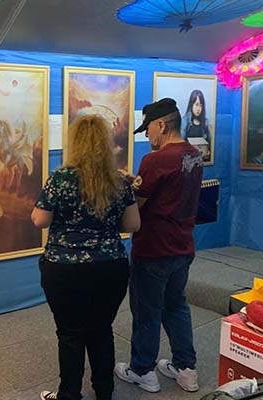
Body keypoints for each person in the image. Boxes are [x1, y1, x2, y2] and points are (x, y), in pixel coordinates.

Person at [31, 115, 141, 400]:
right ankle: (104, 392)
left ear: (75, 143)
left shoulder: (60, 179)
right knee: (102, 330)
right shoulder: (119, 181)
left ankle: (69, 394)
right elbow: (133, 224)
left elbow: (40, 220)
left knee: (70, 333)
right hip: (110, 266)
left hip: (64, 268)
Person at [115, 98, 204, 393]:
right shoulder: (194, 155)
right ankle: (186, 368)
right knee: (176, 306)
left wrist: (125, 188)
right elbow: (170, 190)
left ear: (161, 125)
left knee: (146, 311)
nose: (147, 136)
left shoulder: (154, 160)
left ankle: (142, 370)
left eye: (148, 129)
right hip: (183, 246)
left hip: (154, 249)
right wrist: (137, 181)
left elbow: (137, 205)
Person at [181, 89, 211, 160]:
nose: (198, 109)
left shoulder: (205, 122)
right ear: (191, 105)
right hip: (187, 158)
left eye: (201, 106)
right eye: (196, 105)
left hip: (201, 159)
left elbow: (209, 144)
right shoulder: (185, 121)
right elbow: (181, 143)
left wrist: (207, 151)